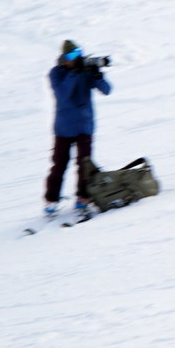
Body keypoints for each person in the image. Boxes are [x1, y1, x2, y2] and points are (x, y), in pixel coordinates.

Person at [44, 40, 112, 216]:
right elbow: (63, 94)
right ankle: (51, 200)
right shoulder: (56, 74)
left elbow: (107, 90)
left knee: (85, 165)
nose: (78, 58)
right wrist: (75, 73)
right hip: (64, 128)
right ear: (64, 58)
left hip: (84, 125)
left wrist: (97, 75)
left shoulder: (86, 71)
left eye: (79, 53)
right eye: (73, 55)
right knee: (59, 165)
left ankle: (83, 199)